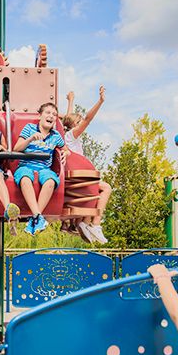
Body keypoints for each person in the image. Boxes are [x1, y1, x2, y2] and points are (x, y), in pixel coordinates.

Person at [60, 87, 112, 244]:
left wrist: (70, 101)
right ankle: (95, 224)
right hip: (80, 180)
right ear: (75, 125)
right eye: (78, 122)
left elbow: (68, 119)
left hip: (74, 181)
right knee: (106, 188)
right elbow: (88, 119)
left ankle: (82, 222)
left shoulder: (65, 136)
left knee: (95, 189)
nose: (81, 124)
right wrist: (100, 102)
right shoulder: (72, 136)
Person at [13, 102, 66, 235]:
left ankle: (36, 217)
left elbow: (65, 149)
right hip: (26, 165)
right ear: (40, 116)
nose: (51, 116)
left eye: (54, 114)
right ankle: (37, 216)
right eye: (48, 113)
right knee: (25, 179)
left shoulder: (56, 136)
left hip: (44, 168)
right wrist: (30, 139)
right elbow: (16, 148)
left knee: (50, 181)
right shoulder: (29, 128)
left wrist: (66, 153)